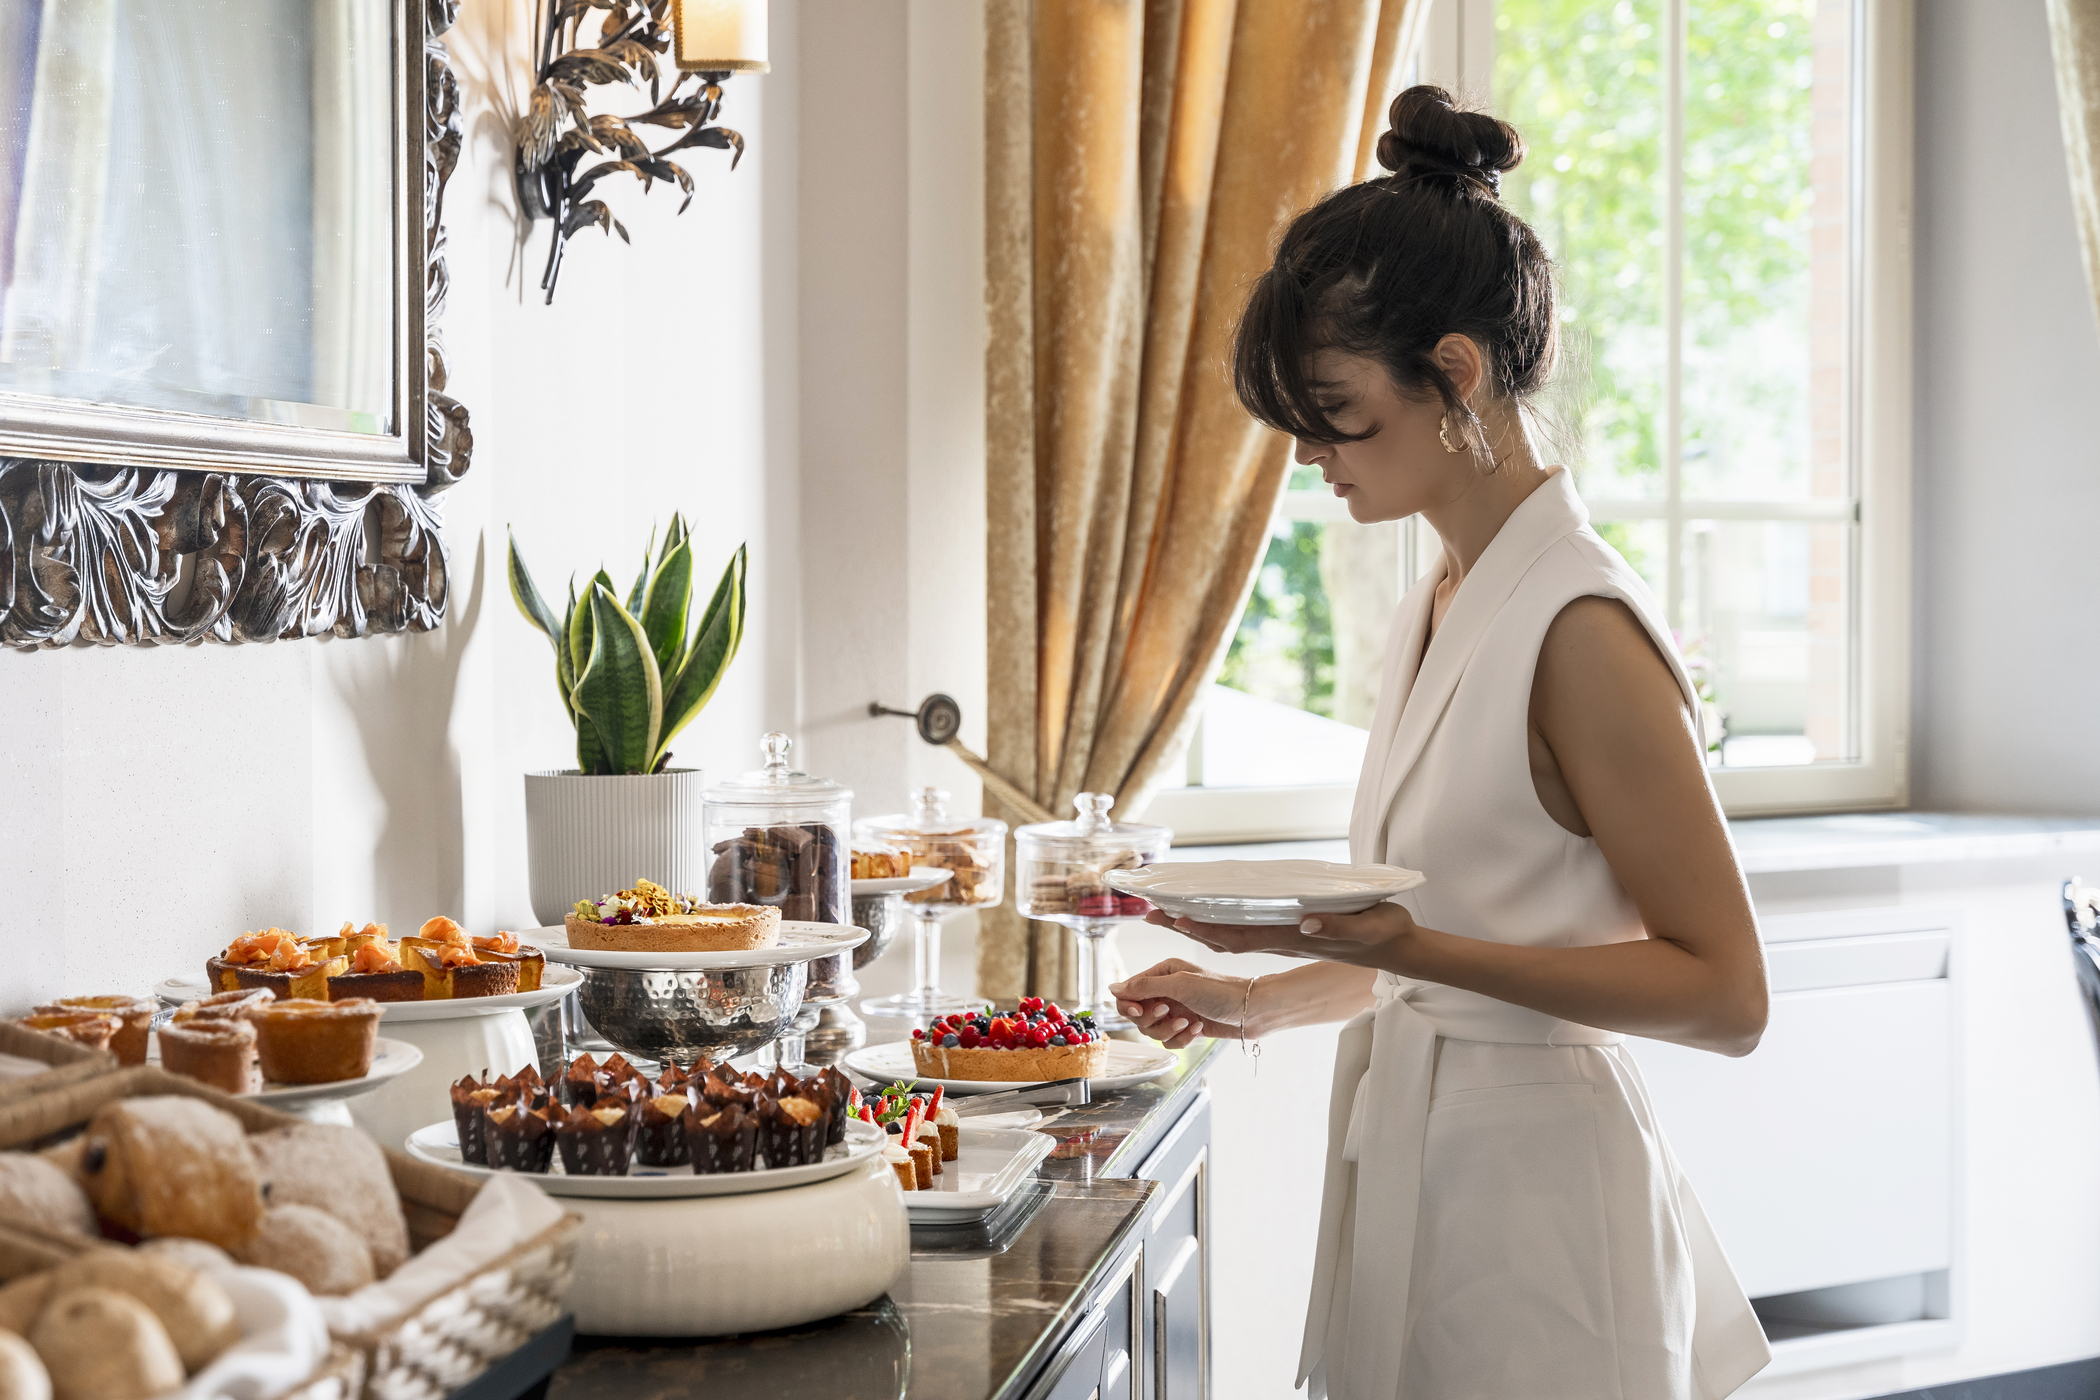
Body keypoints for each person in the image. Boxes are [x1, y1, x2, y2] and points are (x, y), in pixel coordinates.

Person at [1109, 86, 1774, 1400]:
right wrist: (1264, 999)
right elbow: (1463, 956)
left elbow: (1726, 994)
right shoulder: (1446, 598)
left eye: (1334, 408)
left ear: (1454, 374)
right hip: (1422, 1168)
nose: (1310, 456)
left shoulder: (1578, 625)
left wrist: (1401, 947)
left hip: (1541, 1218)